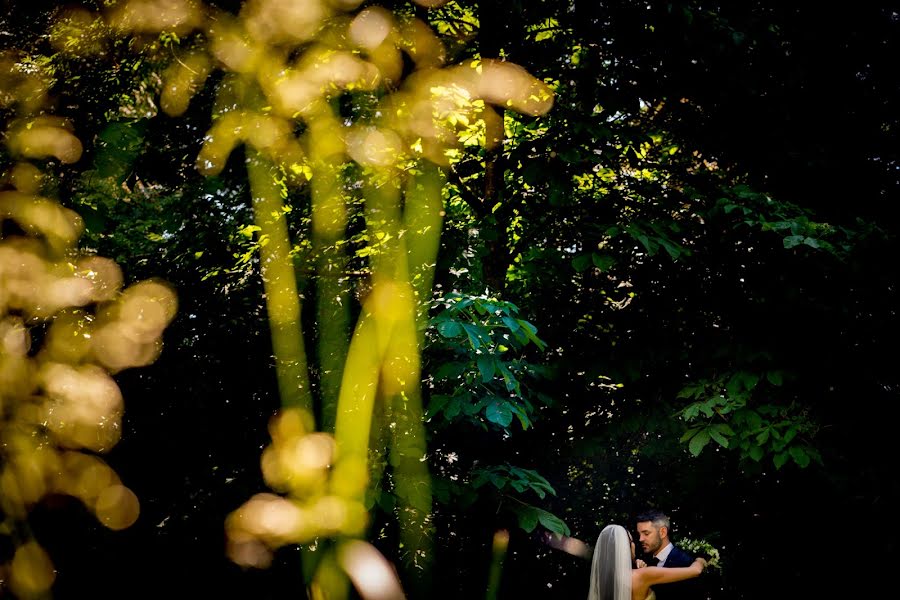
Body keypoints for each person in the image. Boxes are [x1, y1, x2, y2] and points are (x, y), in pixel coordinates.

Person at [588, 524, 706, 600]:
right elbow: (696, 571)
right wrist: (700, 558)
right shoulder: (643, 575)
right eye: (632, 541)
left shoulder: (600, 579)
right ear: (625, 547)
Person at [635, 510, 699, 600]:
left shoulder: (685, 562)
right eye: (639, 534)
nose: (640, 539)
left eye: (646, 533)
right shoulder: (643, 562)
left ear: (662, 532)